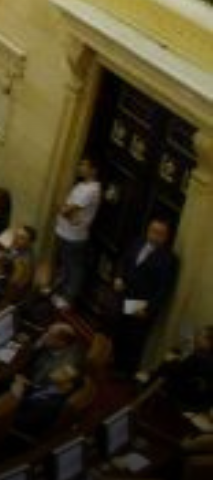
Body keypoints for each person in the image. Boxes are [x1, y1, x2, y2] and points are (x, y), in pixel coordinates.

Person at [112, 218, 179, 375]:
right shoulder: (138, 242)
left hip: (142, 305)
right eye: (152, 231)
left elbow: (163, 289)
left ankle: (126, 372)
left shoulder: (169, 259)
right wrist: (118, 277)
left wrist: (149, 310)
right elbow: (124, 261)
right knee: (119, 332)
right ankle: (116, 363)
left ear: (167, 236)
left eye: (159, 233)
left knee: (134, 340)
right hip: (124, 297)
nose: (154, 235)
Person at [53, 156, 102, 308]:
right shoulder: (80, 185)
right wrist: (64, 210)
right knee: (64, 266)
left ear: (93, 170)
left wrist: (63, 210)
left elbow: (67, 209)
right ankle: (59, 292)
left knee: (74, 269)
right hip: (64, 231)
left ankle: (68, 298)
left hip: (74, 237)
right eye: (80, 164)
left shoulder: (92, 190)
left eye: (84, 164)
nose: (80, 167)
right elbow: (64, 208)